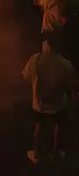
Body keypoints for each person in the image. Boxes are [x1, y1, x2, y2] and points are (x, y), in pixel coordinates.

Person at [22, 33, 77, 164]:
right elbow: (71, 83)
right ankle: (56, 152)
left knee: (39, 127)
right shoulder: (65, 63)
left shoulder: (35, 59)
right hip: (58, 104)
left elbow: (26, 76)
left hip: (39, 103)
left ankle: (37, 155)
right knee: (59, 125)